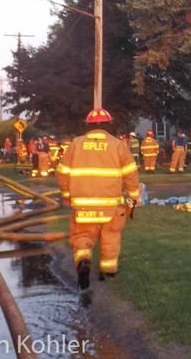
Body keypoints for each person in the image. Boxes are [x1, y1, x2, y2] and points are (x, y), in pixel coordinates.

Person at [57, 108, 139, 290]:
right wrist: (133, 198)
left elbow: (62, 173)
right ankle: (107, 270)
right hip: (111, 206)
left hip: (83, 206)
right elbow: (131, 175)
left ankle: (84, 261)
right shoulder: (118, 145)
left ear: (89, 125)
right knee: (110, 236)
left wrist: (66, 195)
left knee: (82, 237)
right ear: (109, 125)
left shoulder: (76, 144)